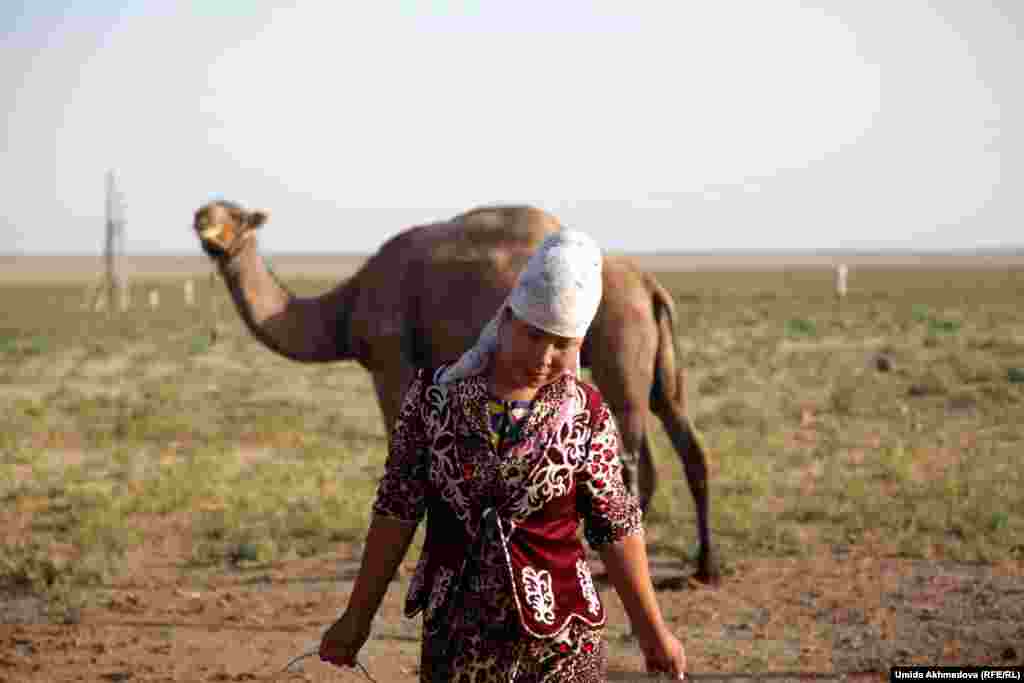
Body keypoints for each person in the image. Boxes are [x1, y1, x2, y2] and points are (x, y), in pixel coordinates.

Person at [319, 229, 687, 682]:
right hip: (458, 640)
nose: (545, 355)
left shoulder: (585, 414)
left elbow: (615, 526)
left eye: (563, 343)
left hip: (565, 645)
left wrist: (653, 632)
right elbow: (396, 510)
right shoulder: (436, 400)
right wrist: (357, 619)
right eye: (533, 335)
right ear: (506, 318)